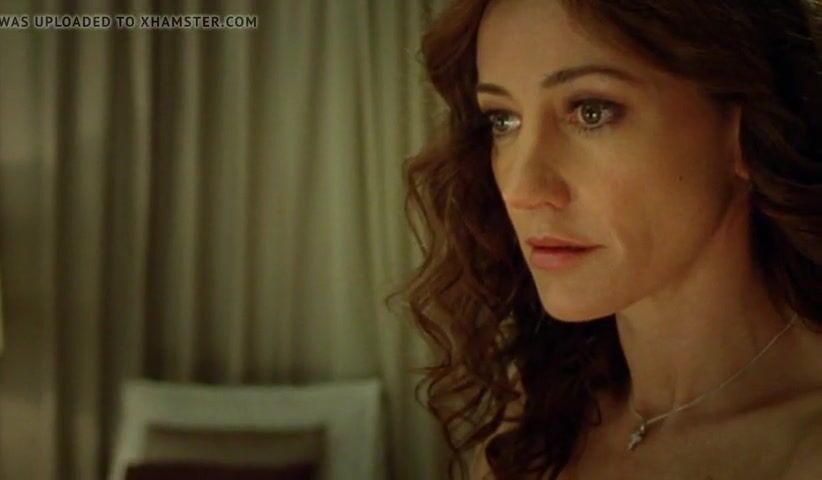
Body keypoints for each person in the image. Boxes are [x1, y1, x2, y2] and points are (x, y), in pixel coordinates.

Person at [390, 0, 822, 478]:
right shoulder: (537, 410)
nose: (521, 190)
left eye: (591, 112)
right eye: (503, 120)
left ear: (747, 133)